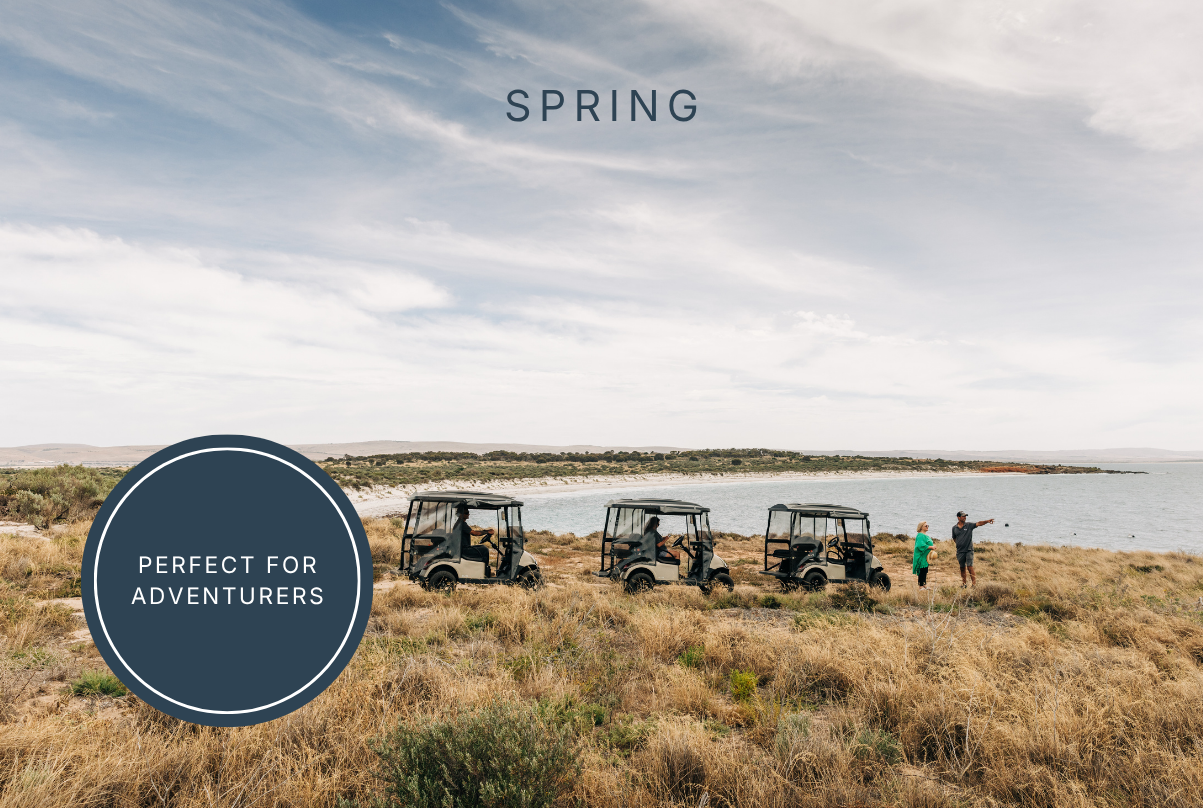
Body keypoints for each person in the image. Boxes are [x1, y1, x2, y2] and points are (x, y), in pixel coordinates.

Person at [952, 510, 994, 587]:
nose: (965, 517)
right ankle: (964, 584)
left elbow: (979, 523)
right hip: (960, 551)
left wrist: (987, 521)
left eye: (965, 516)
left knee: (970, 567)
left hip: (969, 550)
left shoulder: (969, 525)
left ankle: (974, 584)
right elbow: (954, 538)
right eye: (963, 516)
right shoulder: (954, 528)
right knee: (962, 568)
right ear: (958, 517)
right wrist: (959, 543)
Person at [912, 521, 934, 589]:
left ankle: (924, 584)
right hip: (921, 556)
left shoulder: (925, 535)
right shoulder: (920, 535)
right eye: (925, 526)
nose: (927, 527)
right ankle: (921, 585)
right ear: (921, 527)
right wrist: (931, 547)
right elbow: (920, 545)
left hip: (925, 556)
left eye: (928, 526)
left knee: (925, 570)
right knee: (921, 570)